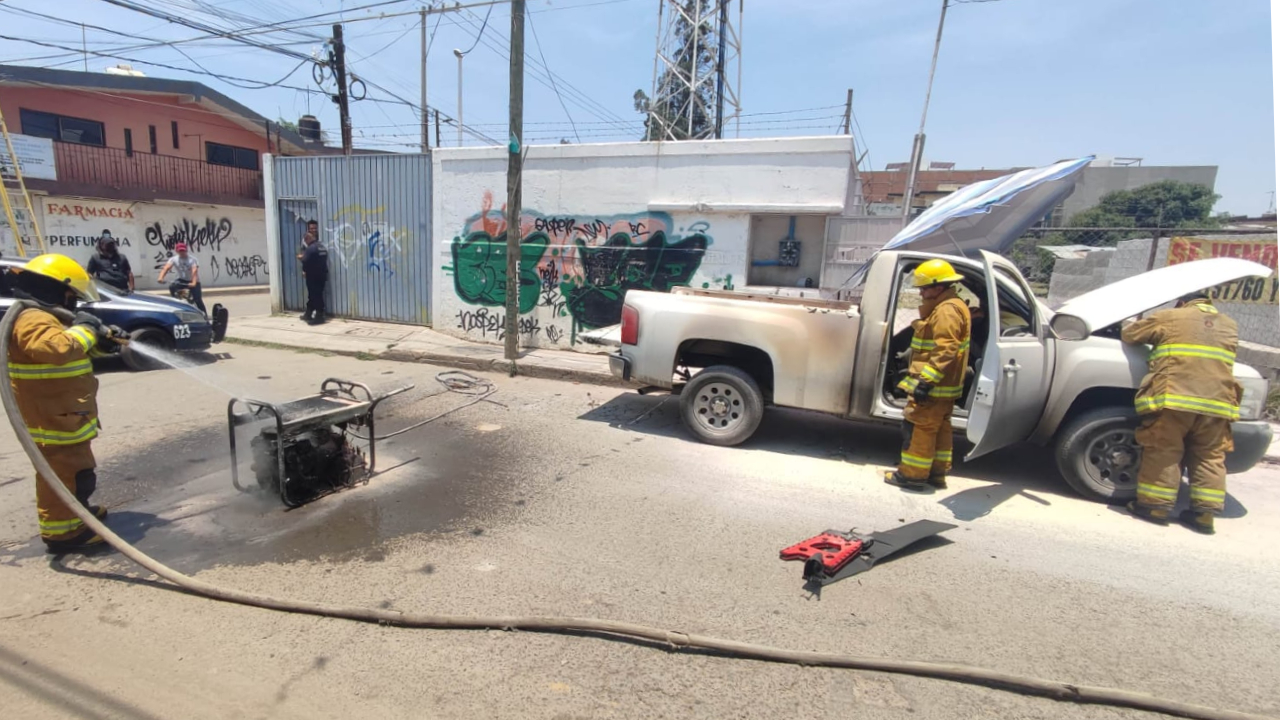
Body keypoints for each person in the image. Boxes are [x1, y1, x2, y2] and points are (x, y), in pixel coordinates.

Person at [6, 254, 126, 553]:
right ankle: (63, 535)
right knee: (61, 476)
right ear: (56, 289)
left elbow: (72, 353)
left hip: (66, 416)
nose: (73, 304)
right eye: (72, 297)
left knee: (77, 473)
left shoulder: (48, 318)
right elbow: (56, 349)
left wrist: (103, 344)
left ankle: (77, 513)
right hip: (52, 421)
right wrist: (86, 329)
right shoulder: (32, 319)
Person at [1122, 291, 1239, 535]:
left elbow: (1131, 335)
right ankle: (1205, 516)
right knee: (1209, 456)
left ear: (1182, 302)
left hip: (1175, 399)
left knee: (1165, 450)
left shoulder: (1172, 317)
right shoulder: (1230, 325)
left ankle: (1155, 507)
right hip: (1217, 405)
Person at [884, 259, 972, 492]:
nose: (921, 292)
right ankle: (936, 474)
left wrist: (926, 381)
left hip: (935, 387)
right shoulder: (954, 305)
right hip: (946, 387)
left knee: (919, 427)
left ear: (939, 286)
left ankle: (911, 476)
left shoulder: (946, 311)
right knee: (939, 429)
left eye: (924, 288)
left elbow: (946, 349)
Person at [156, 242, 206, 314]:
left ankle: (204, 315)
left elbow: (194, 271)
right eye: (180, 251)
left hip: (193, 281)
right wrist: (160, 277)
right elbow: (166, 268)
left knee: (198, 300)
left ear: (186, 250)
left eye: (183, 250)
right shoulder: (173, 259)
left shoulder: (192, 259)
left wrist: (194, 282)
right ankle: (178, 299)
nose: (182, 252)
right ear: (177, 251)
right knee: (172, 286)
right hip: (182, 280)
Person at [298, 220, 329, 325]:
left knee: (315, 294)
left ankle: (319, 316)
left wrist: (302, 260)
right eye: (311, 229)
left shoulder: (313, 246)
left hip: (314, 274)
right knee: (313, 295)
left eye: (315, 228)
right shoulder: (320, 246)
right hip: (320, 273)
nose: (313, 230)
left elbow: (305, 259)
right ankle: (309, 313)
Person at [85, 229, 134, 294]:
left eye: (111, 244)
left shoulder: (122, 257)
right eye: (107, 244)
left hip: (123, 290)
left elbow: (129, 273)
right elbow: (89, 274)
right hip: (105, 292)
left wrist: (131, 288)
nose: (110, 246)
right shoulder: (95, 258)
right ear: (101, 246)